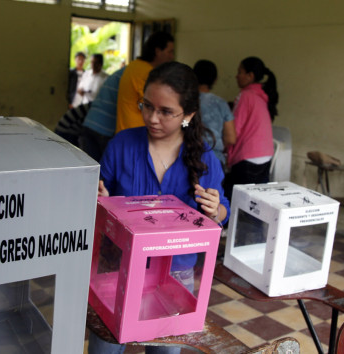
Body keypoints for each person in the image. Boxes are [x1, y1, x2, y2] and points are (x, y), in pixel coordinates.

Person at [91, 62, 230, 354]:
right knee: (106, 347)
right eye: (147, 106)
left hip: (175, 275)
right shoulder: (122, 145)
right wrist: (99, 197)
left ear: (188, 115)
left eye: (166, 112)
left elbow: (222, 213)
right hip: (118, 270)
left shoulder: (204, 158)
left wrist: (216, 210)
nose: (152, 118)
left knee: (164, 350)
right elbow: (102, 201)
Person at [223, 56, 279, 196]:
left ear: (250, 76)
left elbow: (234, 132)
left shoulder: (246, 95)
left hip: (248, 157)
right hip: (265, 155)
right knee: (257, 202)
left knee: (231, 198)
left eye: (240, 72)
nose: (236, 76)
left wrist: (226, 152)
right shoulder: (261, 95)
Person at [115, 31, 175, 133]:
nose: (172, 56)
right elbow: (153, 104)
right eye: (170, 52)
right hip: (135, 133)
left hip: (126, 130)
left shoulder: (134, 65)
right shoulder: (145, 72)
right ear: (157, 51)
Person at [193, 59, 235, 169]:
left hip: (189, 157)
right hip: (215, 159)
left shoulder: (185, 101)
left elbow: (181, 126)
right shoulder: (220, 103)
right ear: (215, 80)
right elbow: (231, 138)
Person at [78, 66, 126, 162]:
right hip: (105, 130)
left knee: (91, 169)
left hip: (90, 124)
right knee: (103, 172)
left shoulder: (121, 73)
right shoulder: (135, 74)